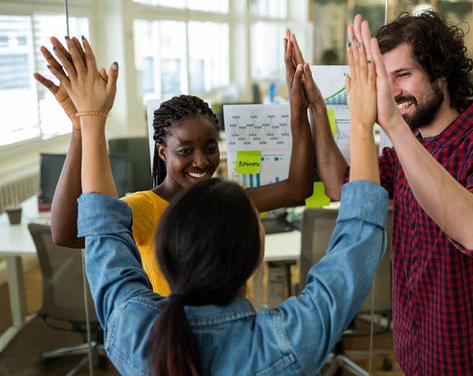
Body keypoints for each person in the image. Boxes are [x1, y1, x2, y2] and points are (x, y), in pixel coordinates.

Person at [52, 24, 387, 376]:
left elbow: (103, 233)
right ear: (254, 251)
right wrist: (362, 126)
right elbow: (355, 245)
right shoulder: (287, 342)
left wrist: (88, 122)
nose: (201, 160)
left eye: (209, 148)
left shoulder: (138, 335)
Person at [310, 12, 473, 376]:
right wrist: (317, 110)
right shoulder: (406, 151)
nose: (391, 91)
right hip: (418, 358)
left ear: (441, 73)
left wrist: (391, 123)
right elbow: (343, 186)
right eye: (383, 78)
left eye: (403, 75)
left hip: (460, 372)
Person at [34, 31, 315, 296]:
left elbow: (297, 188)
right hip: (174, 336)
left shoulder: (227, 201)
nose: (202, 161)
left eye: (210, 148)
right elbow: (66, 233)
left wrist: (297, 107)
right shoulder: (145, 207)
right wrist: (80, 129)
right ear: (162, 151)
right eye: (185, 150)